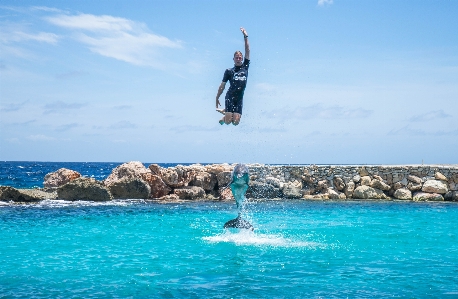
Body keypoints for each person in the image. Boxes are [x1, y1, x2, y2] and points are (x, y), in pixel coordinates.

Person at [215, 27, 250, 126]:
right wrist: (217, 97)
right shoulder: (229, 71)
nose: (238, 59)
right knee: (228, 122)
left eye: (240, 57)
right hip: (230, 97)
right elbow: (222, 86)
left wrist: (245, 36)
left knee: (235, 123)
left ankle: (225, 112)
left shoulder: (245, 67)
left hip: (239, 98)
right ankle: (225, 116)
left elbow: (247, 50)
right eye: (237, 57)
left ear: (242, 59)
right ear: (233, 59)